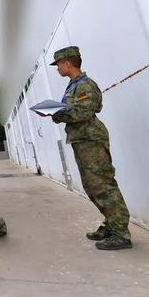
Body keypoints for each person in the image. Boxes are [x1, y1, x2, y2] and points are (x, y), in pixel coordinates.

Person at [48, 46, 132, 250]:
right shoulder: (73, 85)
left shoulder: (85, 85)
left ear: (67, 63)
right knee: (92, 185)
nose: (57, 68)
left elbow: (83, 113)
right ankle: (111, 224)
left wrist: (57, 114)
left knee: (103, 184)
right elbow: (74, 110)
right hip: (81, 139)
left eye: (58, 64)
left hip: (91, 139)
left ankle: (121, 234)